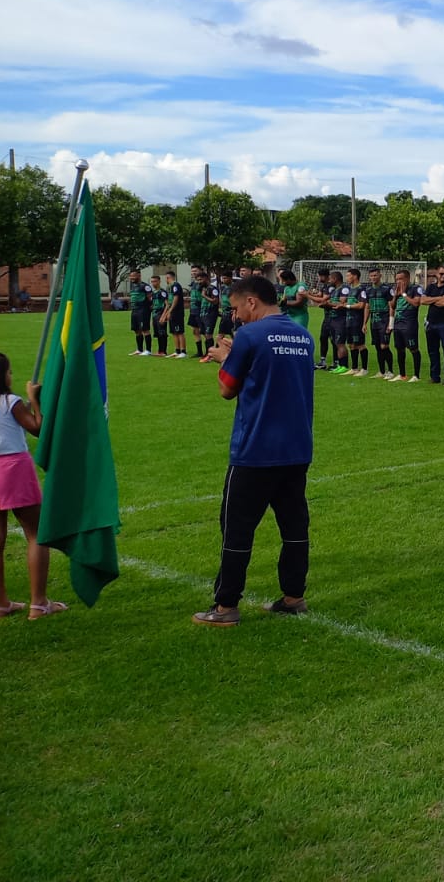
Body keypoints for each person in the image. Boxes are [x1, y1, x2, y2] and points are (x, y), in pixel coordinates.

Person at [193, 276, 316, 627]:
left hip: (256, 449)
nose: (235, 317)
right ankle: (294, 597)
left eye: (235, 308)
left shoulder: (250, 336)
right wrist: (237, 356)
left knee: (236, 527)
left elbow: (227, 390)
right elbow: (272, 375)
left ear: (251, 301)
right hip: (296, 447)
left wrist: (222, 357)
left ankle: (226, 606)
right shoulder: (302, 335)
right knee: (294, 526)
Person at [0, 352, 66, 619]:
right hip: (14, 468)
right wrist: (35, 401)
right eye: (9, 371)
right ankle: (39, 603)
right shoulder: (10, 401)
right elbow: (37, 427)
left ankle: (2, 603)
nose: (11, 376)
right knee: (35, 533)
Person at [390, 269, 424, 383]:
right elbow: (393, 306)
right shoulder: (396, 290)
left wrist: (404, 294)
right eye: (397, 279)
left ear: (408, 279)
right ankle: (402, 374)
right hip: (398, 324)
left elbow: (416, 303)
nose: (399, 282)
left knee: (413, 349)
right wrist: (395, 295)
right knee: (399, 349)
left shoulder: (415, 289)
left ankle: (416, 375)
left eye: (401, 279)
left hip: (409, 324)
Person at [365, 267, 394, 380]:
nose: (373, 278)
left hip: (384, 320)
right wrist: (364, 323)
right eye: (371, 276)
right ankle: (381, 371)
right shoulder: (368, 290)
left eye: (375, 275)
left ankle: (390, 371)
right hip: (374, 322)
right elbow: (367, 307)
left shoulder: (386, 289)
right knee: (378, 347)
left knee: (384, 346)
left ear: (380, 276)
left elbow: (392, 306)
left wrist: (390, 323)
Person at [341, 271, 368, 376]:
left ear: (355, 276)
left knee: (360, 344)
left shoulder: (361, 289)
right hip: (349, 320)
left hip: (357, 320)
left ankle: (364, 369)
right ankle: (354, 368)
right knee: (351, 344)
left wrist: (347, 306)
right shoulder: (350, 289)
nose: (347, 278)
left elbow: (361, 305)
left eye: (348, 276)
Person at [128, 268, 154, 356]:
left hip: (143, 310)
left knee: (145, 329)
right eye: (130, 276)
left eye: (133, 276)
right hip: (134, 310)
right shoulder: (132, 286)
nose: (131, 278)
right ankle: (139, 349)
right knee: (136, 330)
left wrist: (149, 308)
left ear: (139, 275)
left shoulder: (145, 286)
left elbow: (150, 298)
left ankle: (148, 350)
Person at [312, 268, 334, 368]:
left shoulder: (331, 286)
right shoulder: (324, 286)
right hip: (327, 316)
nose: (319, 278)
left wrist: (308, 296)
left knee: (334, 339)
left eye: (319, 276)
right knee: (323, 337)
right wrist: (310, 294)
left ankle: (336, 361)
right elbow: (319, 295)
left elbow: (323, 299)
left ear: (324, 276)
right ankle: (323, 361)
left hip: (334, 316)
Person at [164, 269, 188, 358]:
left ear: (169, 277)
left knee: (179, 331)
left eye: (166, 278)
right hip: (172, 312)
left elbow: (176, 298)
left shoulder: (176, 285)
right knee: (174, 331)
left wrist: (170, 310)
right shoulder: (169, 287)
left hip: (177, 312)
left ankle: (183, 351)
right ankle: (177, 351)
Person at [150, 275, 170, 356]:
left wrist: (163, 315)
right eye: (152, 282)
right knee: (158, 333)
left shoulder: (162, 292)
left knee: (162, 333)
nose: (153, 283)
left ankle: (163, 351)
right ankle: (159, 351)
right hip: (155, 314)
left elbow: (167, 305)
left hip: (160, 313)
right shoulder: (153, 292)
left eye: (155, 281)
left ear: (159, 281)